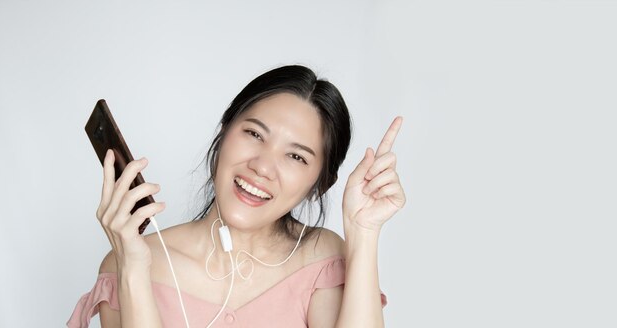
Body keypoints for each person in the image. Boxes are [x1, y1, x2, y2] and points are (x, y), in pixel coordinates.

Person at [68, 65, 405, 328]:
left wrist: (363, 235)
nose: (262, 167)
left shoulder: (322, 260)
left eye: (296, 156)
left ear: (320, 183)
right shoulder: (126, 265)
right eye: (255, 134)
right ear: (224, 131)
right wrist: (133, 269)